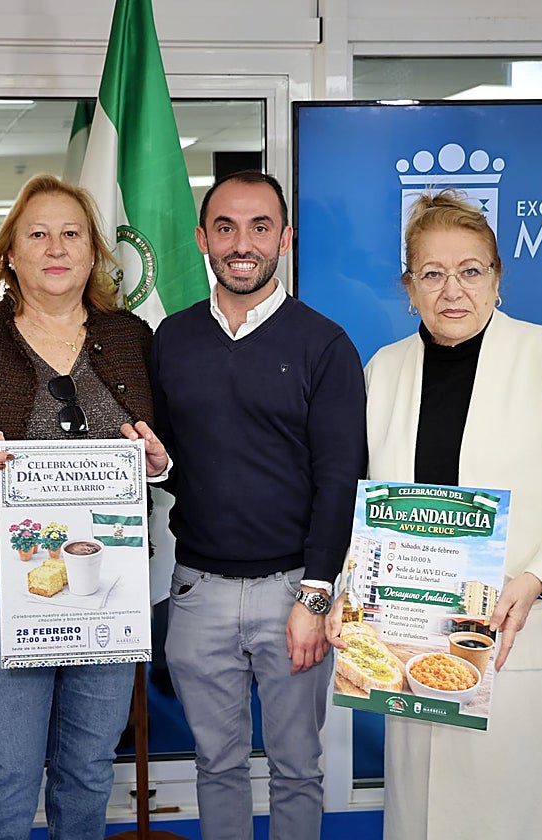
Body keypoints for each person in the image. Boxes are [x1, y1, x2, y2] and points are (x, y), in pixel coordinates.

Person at [330, 189, 542, 839]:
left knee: (512, 817)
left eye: (471, 270)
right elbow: (366, 506)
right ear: (407, 287)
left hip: (517, 639)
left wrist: (536, 579)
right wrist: (348, 597)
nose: (452, 291)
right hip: (415, 647)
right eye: (431, 274)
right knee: (423, 816)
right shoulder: (383, 372)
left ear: (498, 278)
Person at [0, 174, 167, 840]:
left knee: (90, 767)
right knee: (3, 770)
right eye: (37, 234)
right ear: (10, 253)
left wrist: (157, 462)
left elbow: (164, 446)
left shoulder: (133, 339)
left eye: (71, 233)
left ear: (95, 253)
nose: (55, 247)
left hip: (107, 590)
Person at [150, 170, 367, 840]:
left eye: (260, 226)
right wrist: (159, 466)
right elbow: (177, 459)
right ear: (202, 239)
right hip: (197, 592)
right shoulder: (170, 340)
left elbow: (341, 479)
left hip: (292, 597)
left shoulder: (323, 345)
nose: (242, 242)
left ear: (286, 239)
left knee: (297, 766)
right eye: (225, 227)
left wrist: (316, 596)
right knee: (215, 764)